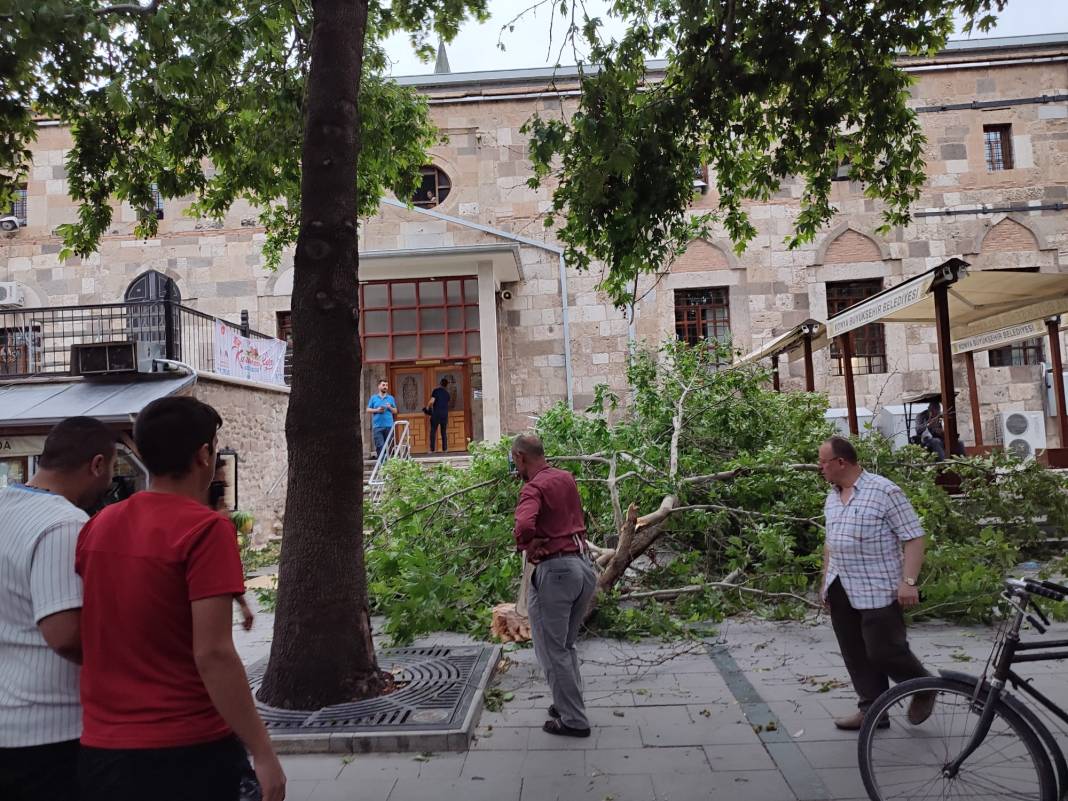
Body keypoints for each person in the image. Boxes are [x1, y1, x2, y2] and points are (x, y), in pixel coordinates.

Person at [75, 397, 285, 801]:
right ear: (204, 454)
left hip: (103, 750)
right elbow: (214, 654)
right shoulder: (206, 530)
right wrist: (263, 751)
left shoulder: (98, 525)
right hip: (186, 749)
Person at [0, 417, 117, 801]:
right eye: (111, 470)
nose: (109, 483)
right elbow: (65, 634)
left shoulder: (5, 506)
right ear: (97, 465)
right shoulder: (63, 525)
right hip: (53, 732)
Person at [818, 436, 935, 731]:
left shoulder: (884, 491)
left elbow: (914, 537)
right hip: (841, 584)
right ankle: (873, 710)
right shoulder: (832, 496)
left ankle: (922, 686)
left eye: (823, 462)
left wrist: (908, 582)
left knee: (884, 650)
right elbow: (830, 543)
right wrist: (825, 581)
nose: (820, 468)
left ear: (841, 462)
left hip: (878, 586)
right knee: (854, 651)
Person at [511, 434, 597, 738]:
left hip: (556, 573)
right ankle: (567, 704)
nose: (515, 466)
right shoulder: (566, 478)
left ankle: (573, 720)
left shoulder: (532, 488)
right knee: (566, 645)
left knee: (552, 649)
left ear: (521, 457)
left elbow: (523, 526)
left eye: (514, 460)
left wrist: (527, 543)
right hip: (583, 568)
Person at [367, 379, 398, 459]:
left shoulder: (390, 398)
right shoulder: (373, 398)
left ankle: (387, 464)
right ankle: (382, 464)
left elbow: (395, 411)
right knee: (380, 445)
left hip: (389, 426)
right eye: (383, 385)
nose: (385, 387)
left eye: (386, 385)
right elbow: (368, 409)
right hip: (377, 426)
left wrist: (390, 407)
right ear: (379, 386)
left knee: (388, 446)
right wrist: (377, 410)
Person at [426, 378, 451, 453]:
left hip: (436, 414)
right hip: (444, 415)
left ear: (440, 383)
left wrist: (427, 407)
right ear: (446, 385)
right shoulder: (447, 394)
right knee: (443, 432)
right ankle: (445, 449)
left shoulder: (436, 391)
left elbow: (432, 401)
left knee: (433, 431)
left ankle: (432, 449)